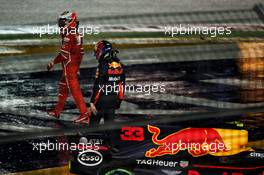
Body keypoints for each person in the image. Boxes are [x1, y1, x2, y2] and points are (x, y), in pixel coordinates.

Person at [46, 11, 90, 124]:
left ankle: (84, 114)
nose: (60, 23)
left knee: (75, 90)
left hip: (69, 66)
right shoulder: (73, 31)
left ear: (69, 20)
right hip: (72, 63)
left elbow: (64, 55)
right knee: (63, 86)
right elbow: (78, 51)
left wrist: (52, 62)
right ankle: (57, 111)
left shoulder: (69, 33)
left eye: (62, 21)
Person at [89, 40, 125, 125]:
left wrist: (92, 102)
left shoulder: (103, 65)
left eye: (97, 52)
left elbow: (99, 84)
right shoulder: (120, 65)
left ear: (102, 51)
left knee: (92, 129)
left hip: (101, 101)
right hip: (113, 100)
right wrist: (119, 101)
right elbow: (122, 86)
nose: (96, 55)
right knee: (109, 129)